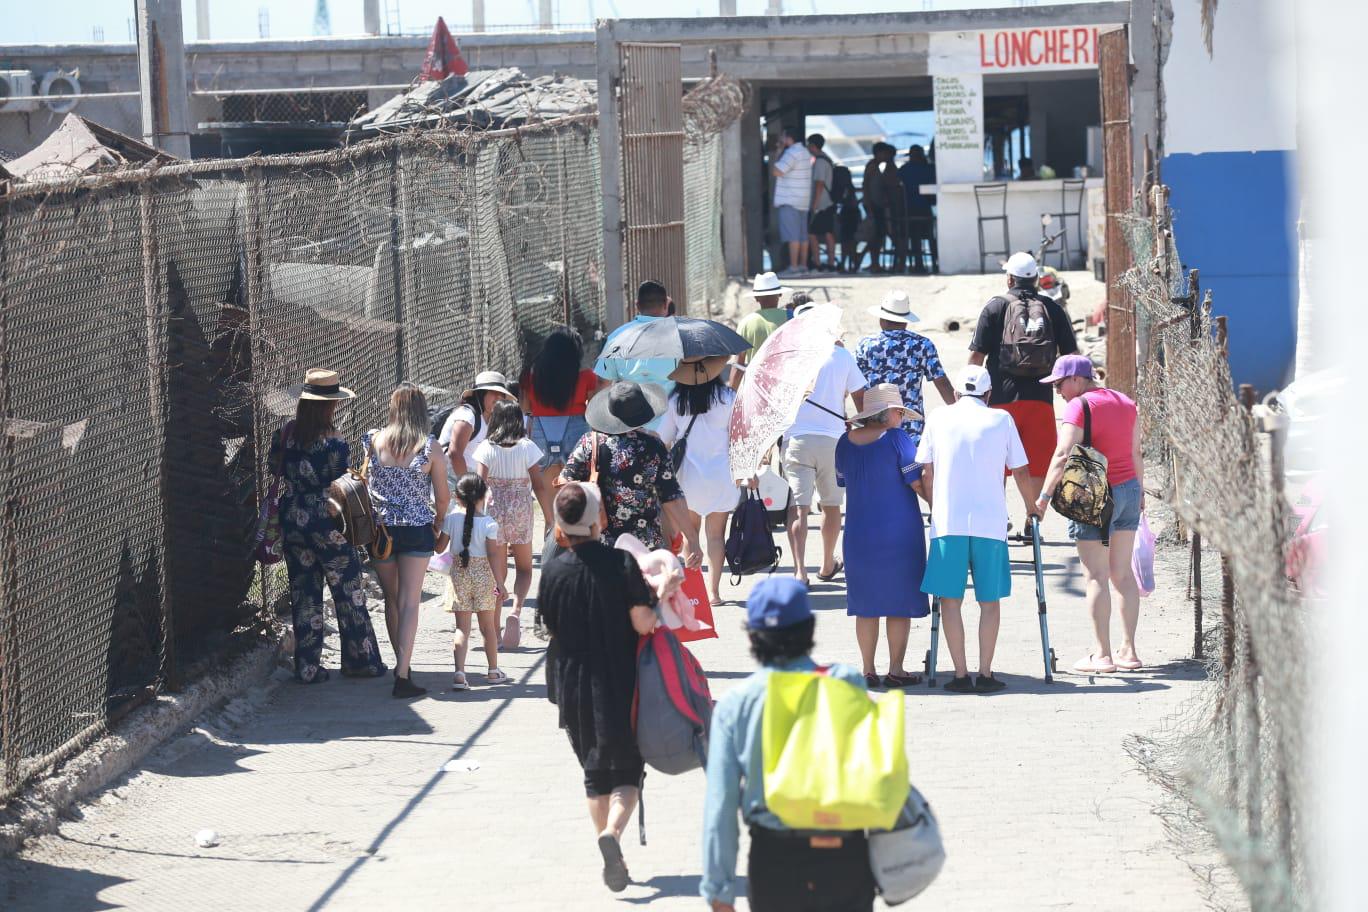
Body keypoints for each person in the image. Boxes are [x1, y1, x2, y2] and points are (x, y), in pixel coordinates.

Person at [700, 577, 873, 912]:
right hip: (842, 850)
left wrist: (719, 888)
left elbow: (720, 805)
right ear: (809, 627)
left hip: (773, 857)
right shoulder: (847, 682)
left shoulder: (736, 704)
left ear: (752, 636)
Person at [537, 482, 659, 893]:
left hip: (570, 682)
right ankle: (612, 835)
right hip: (618, 679)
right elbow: (644, 622)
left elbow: (549, 626)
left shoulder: (552, 569)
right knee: (628, 770)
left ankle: (605, 842)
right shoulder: (621, 563)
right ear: (597, 519)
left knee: (594, 770)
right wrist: (659, 598)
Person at [915, 365, 1038, 693]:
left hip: (948, 523)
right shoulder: (1001, 420)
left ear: (955, 394)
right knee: (989, 600)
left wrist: (934, 504)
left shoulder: (939, 418)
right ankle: (985, 672)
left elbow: (925, 471)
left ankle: (959, 674)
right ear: (988, 394)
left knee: (949, 600)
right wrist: (1032, 507)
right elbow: (1022, 471)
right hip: (990, 524)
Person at [269, 369, 386, 685]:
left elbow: (272, 466)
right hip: (329, 521)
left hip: (293, 519)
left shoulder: (284, 435)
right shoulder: (335, 441)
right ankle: (361, 660)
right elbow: (340, 480)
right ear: (328, 405)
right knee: (347, 589)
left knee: (304, 594)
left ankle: (307, 667)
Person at [1035, 355, 1145, 674]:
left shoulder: (1079, 406)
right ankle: (1130, 651)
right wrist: (1140, 492)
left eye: (1059, 383)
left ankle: (1103, 655)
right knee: (1122, 574)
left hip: (1094, 497)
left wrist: (1043, 497)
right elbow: (1137, 451)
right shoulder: (1126, 402)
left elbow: (1063, 453)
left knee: (1096, 575)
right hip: (1128, 491)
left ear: (1078, 379)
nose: (1057, 391)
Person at [968, 251, 1079, 508]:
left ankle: (999, 517)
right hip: (1040, 398)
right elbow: (1072, 357)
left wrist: (968, 396)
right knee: (1038, 462)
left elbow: (975, 358)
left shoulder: (994, 307)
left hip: (998, 399)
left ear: (1009, 279)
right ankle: (1033, 519)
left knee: (996, 461)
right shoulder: (1052, 308)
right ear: (1037, 279)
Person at [836, 384, 928, 688]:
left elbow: (842, 480)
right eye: (898, 410)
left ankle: (867, 669)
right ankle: (896, 668)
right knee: (898, 604)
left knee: (866, 605)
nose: (901, 415)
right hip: (898, 530)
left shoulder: (843, 442)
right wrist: (938, 503)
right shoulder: (898, 439)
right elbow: (915, 482)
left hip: (859, 532)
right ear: (886, 413)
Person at [364, 383, 451, 698]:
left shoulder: (373, 440)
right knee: (410, 602)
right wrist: (438, 525)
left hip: (380, 531)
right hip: (416, 528)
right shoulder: (429, 446)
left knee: (392, 599)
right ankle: (402, 673)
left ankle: (403, 666)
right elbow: (443, 497)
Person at [560, 381, 703, 568]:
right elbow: (671, 497)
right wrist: (691, 539)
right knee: (642, 595)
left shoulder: (590, 443)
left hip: (599, 543)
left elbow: (565, 482)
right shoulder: (653, 446)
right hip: (646, 547)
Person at [782, 316, 867, 586]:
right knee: (832, 506)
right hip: (833, 440)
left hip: (797, 438)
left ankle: (799, 572)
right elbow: (861, 402)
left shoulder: (792, 356)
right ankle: (828, 562)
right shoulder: (842, 356)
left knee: (799, 508)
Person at [658, 372, 740, 604]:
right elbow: (738, 435)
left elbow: (664, 439)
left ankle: (694, 589)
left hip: (688, 476)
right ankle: (713, 593)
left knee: (689, 534)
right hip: (721, 475)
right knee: (716, 535)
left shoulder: (676, 400)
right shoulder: (727, 397)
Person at [473, 400, 545, 646]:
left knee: (498, 572)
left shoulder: (485, 448)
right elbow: (538, 483)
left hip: (494, 512)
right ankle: (515, 611)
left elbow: (479, 485)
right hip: (521, 510)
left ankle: (494, 626)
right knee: (524, 568)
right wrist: (549, 516)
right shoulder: (527, 447)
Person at [854, 289, 955, 445]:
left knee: (879, 468)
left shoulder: (865, 346)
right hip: (911, 429)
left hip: (874, 426)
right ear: (906, 320)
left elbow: (855, 386)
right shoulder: (923, 345)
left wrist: (863, 415)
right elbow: (942, 383)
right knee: (911, 468)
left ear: (881, 318)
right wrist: (959, 412)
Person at [521, 326, 597, 528]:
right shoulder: (586, 375)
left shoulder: (531, 375)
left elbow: (525, 406)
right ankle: (576, 532)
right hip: (576, 430)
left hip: (541, 431)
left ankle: (551, 529)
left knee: (548, 490)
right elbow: (594, 408)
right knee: (575, 488)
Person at [443, 473, 509, 688]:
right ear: (484, 496)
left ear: (457, 497)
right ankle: (492, 671)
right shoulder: (489, 524)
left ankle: (460, 673)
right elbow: (493, 555)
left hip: (459, 574)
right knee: (488, 627)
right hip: (484, 576)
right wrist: (500, 583)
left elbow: (437, 547)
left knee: (462, 628)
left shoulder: (451, 519)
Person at [593, 280, 676, 432]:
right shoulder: (679, 337)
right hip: (672, 426)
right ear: (666, 304)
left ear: (637, 305)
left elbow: (602, 381)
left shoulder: (618, 337)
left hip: (631, 428)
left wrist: (599, 424)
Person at [440, 370, 516, 483]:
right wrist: (468, 487)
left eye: (501, 394)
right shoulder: (466, 416)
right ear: (480, 394)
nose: (498, 397)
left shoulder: (491, 418)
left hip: (472, 480)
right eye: (493, 392)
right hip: (452, 481)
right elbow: (455, 454)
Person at [730, 272, 789, 390]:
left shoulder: (746, 323)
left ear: (756, 298)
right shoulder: (791, 318)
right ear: (780, 294)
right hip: (786, 387)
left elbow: (738, 364)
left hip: (757, 388)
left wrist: (732, 392)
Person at [771, 127, 812, 277]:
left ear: (788, 138)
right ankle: (803, 265)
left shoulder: (791, 153)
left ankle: (793, 267)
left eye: (783, 136)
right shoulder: (805, 152)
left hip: (790, 199)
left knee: (792, 235)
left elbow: (777, 171)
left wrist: (777, 153)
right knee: (803, 236)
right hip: (803, 199)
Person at [898, 145, 937, 274]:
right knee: (931, 236)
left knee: (914, 236)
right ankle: (936, 261)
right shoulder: (929, 169)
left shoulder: (904, 170)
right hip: (925, 210)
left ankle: (918, 263)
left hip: (908, 211)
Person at [806, 133, 837, 272]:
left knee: (812, 233)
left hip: (821, 204)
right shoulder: (827, 159)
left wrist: (814, 205)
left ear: (813, 145)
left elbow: (819, 184)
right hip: (829, 202)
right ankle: (831, 263)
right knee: (829, 232)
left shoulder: (819, 162)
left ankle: (817, 263)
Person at [832, 165, 862, 274]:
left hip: (847, 215)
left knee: (846, 242)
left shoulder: (843, 188)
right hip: (852, 214)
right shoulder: (850, 187)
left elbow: (841, 201)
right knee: (851, 241)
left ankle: (847, 263)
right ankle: (852, 263)